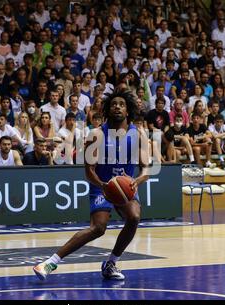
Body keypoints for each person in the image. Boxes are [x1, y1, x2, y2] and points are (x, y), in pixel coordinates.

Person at [33, 90, 149, 281]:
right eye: (113, 104)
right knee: (98, 228)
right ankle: (49, 262)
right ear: (107, 110)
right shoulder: (96, 134)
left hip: (125, 185)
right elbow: (89, 171)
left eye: (121, 104)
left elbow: (146, 168)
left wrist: (139, 179)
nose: (117, 107)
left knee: (134, 217)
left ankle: (110, 263)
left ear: (128, 110)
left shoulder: (139, 134)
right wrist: (103, 185)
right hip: (101, 184)